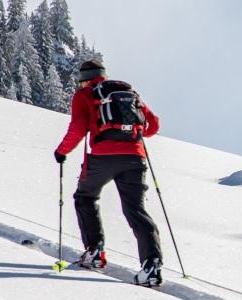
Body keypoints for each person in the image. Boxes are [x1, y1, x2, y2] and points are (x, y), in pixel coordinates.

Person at [54, 57, 165, 287]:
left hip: (102, 157)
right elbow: (153, 126)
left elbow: (77, 128)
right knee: (135, 210)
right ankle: (152, 265)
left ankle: (94, 251)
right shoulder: (127, 91)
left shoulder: (84, 95)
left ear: (83, 79)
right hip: (135, 157)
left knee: (85, 197)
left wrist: (62, 151)